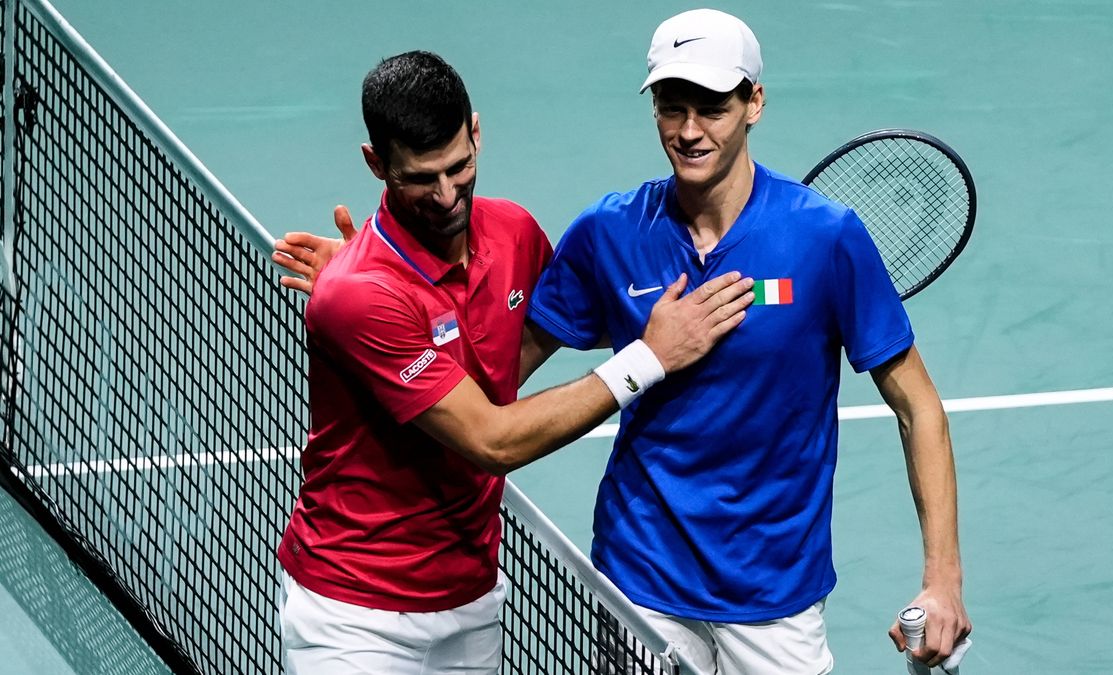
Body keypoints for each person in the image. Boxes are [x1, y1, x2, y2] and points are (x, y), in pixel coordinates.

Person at [278, 11, 971, 673]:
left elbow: (919, 406)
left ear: (755, 102)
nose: (690, 130)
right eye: (672, 107)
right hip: (639, 580)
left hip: (773, 592)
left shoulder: (825, 237)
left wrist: (942, 581)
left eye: (713, 108)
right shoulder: (608, 235)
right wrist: (378, 286)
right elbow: (494, 376)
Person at [273, 50, 754, 675]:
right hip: (354, 614)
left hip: (472, 602)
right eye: (420, 179)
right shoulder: (358, 294)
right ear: (377, 165)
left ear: (476, 132)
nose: (447, 196)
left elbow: (545, 334)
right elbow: (491, 440)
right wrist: (650, 358)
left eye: (459, 167)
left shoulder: (514, 234)